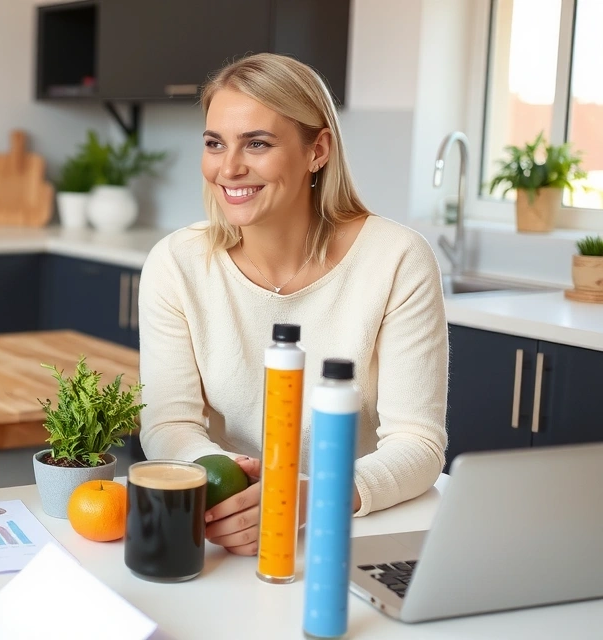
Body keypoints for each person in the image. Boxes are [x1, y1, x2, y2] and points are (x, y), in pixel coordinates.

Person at [137, 53, 448, 556]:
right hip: (229, 531)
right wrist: (226, 489)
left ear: (318, 149)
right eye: (215, 143)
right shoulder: (177, 263)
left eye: (257, 144)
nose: (229, 167)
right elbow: (169, 424)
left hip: (352, 535)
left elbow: (418, 444)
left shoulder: (396, 259)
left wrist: (309, 498)